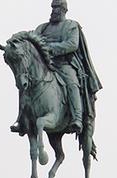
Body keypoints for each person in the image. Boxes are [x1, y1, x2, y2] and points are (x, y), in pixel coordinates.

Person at [11, 0, 102, 136]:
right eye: (52, 7)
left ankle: (77, 118)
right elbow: (31, 39)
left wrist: (50, 48)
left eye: (57, 8)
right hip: (45, 65)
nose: (53, 11)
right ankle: (22, 120)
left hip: (65, 64)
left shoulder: (71, 25)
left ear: (64, 10)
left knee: (72, 84)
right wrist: (16, 40)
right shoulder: (42, 27)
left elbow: (72, 44)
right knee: (25, 84)